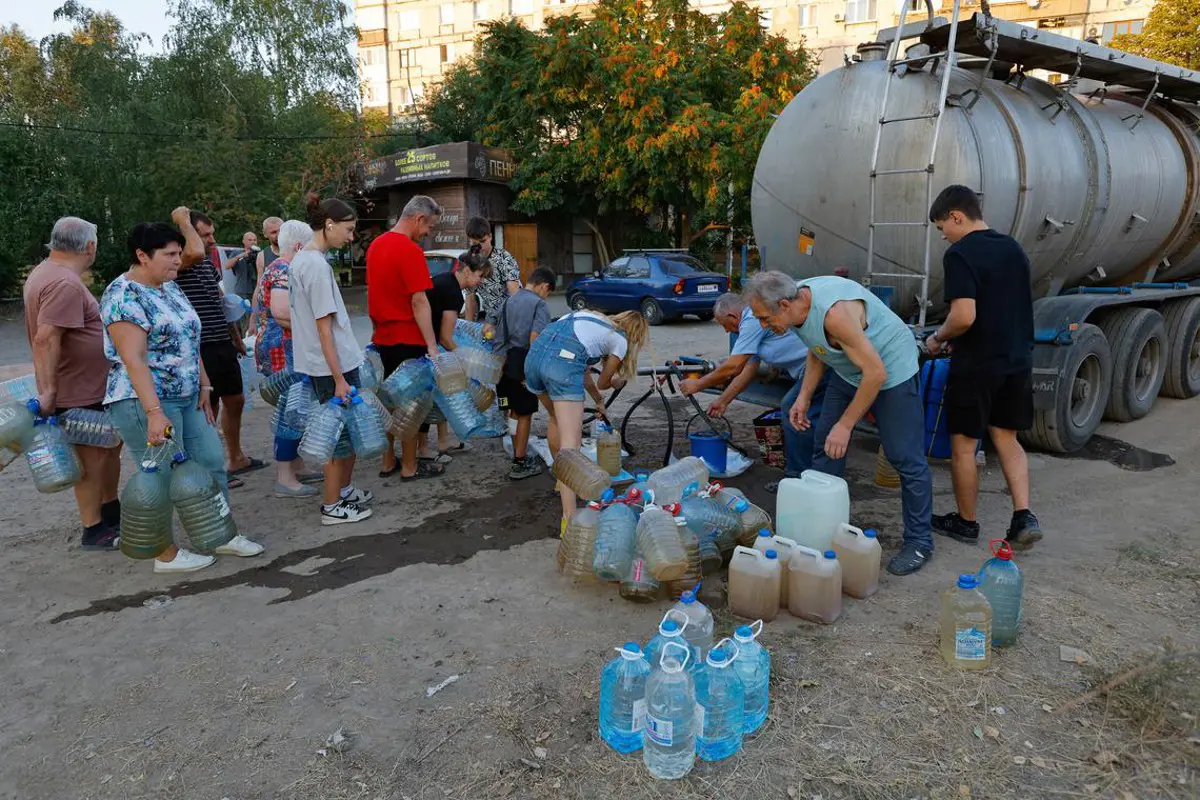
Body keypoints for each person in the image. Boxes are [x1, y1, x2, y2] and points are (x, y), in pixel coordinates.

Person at [102, 215, 263, 573]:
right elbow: (134, 358)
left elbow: (190, 339)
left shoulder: (169, 286)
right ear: (143, 255)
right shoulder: (122, 295)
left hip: (189, 395)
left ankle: (219, 535)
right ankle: (166, 554)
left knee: (209, 461)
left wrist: (204, 385)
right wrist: (155, 412)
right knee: (159, 478)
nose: (178, 260)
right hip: (144, 401)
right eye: (170, 254)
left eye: (178, 253)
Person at [746, 271, 933, 576]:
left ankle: (919, 541)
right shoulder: (796, 308)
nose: (763, 326)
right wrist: (804, 396)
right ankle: (821, 531)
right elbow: (816, 346)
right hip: (847, 370)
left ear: (783, 305)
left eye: (765, 318)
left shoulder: (835, 315)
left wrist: (846, 425)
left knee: (904, 456)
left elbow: (875, 374)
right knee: (826, 444)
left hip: (890, 369)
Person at [926, 185, 1042, 550]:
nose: (944, 236)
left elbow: (963, 316)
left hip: (977, 365)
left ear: (957, 216)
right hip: (1017, 360)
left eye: (942, 227)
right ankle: (1024, 515)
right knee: (1006, 437)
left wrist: (938, 338)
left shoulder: (961, 254)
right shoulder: (1014, 248)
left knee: (964, 445)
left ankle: (966, 522)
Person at [23, 216, 123, 551]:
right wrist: (48, 391)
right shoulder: (63, 283)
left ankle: (110, 512)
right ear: (90, 246)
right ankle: (94, 529)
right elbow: (46, 338)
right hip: (77, 388)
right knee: (91, 459)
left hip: (85, 385)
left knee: (106, 450)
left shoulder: (46, 272)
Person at [679, 292, 828, 486]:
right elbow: (748, 368)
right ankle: (809, 474)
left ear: (734, 316)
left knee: (793, 411)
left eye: (725, 325)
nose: (726, 331)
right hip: (808, 370)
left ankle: (799, 478)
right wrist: (723, 400)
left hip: (820, 367)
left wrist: (697, 384)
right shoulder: (752, 324)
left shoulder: (751, 320)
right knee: (801, 415)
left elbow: (734, 366)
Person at [289, 193, 373, 525]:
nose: (351, 237)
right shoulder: (315, 266)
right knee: (337, 437)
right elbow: (324, 329)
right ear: (328, 225)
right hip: (331, 368)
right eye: (348, 230)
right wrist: (339, 379)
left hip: (327, 364)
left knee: (346, 433)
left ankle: (344, 490)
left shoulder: (303, 260)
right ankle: (331, 506)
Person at [525, 309, 649, 525]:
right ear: (636, 334)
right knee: (571, 449)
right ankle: (569, 521)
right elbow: (603, 381)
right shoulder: (620, 339)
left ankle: (561, 480)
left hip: (533, 360)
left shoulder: (590, 319)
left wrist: (598, 401)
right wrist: (617, 382)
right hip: (562, 367)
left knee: (556, 418)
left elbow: (581, 369)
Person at [176, 210, 263, 485]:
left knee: (235, 398)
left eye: (212, 233)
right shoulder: (183, 261)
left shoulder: (206, 264)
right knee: (208, 408)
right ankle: (212, 469)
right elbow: (195, 253)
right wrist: (182, 220)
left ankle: (235, 458)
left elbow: (219, 299)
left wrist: (235, 334)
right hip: (200, 348)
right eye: (205, 235)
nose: (212, 240)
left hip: (222, 341)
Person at [366, 195, 447, 481]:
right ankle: (411, 466)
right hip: (408, 337)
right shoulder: (409, 250)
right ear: (419, 219)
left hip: (383, 337)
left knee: (388, 401)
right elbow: (419, 302)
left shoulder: (375, 246)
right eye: (430, 228)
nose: (428, 234)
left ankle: (388, 462)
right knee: (410, 405)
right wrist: (432, 345)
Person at [255, 218, 322, 498]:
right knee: (291, 412)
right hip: (283, 351)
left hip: (281, 349)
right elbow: (281, 312)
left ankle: (296, 466)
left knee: (296, 409)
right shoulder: (284, 268)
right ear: (297, 245)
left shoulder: (276, 267)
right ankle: (286, 477)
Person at [489, 267, 556, 480]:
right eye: (548, 292)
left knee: (513, 412)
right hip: (522, 365)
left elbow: (488, 326)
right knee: (525, 414)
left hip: (502, 365)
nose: (547, 296)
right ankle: (519, 463)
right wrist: (534, 372)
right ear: (544, 286)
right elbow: (536, 338)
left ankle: (516, 453)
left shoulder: (509, 300)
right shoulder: (539, 304)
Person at [465, 216, 520, 322]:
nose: (480, 247)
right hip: (490, 319)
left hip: (510, 317)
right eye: (475, 244)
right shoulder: (471, 262)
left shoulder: (504, 258)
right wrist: (468, 328)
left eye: (482, 241)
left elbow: (515, 294)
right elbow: (470, 298)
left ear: (490, 236)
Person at [253, 216, 284, 310]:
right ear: (265, 234)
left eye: (281, 230)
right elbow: (259, 286)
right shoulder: (262, 256)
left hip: (291, 314)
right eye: (274, 232)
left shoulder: (295, 252)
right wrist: (253, 318)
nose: (279, 235)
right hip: (268, 314)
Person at [224, 230, 259, 300]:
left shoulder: (260, 254)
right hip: (242, 290)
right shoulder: (237, 253)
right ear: (243, 241)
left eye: (254, 240)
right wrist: (241, 256)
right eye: (250, 240)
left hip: (257, 290)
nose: (253, 242)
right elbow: (227, 266)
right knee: (242, 310)